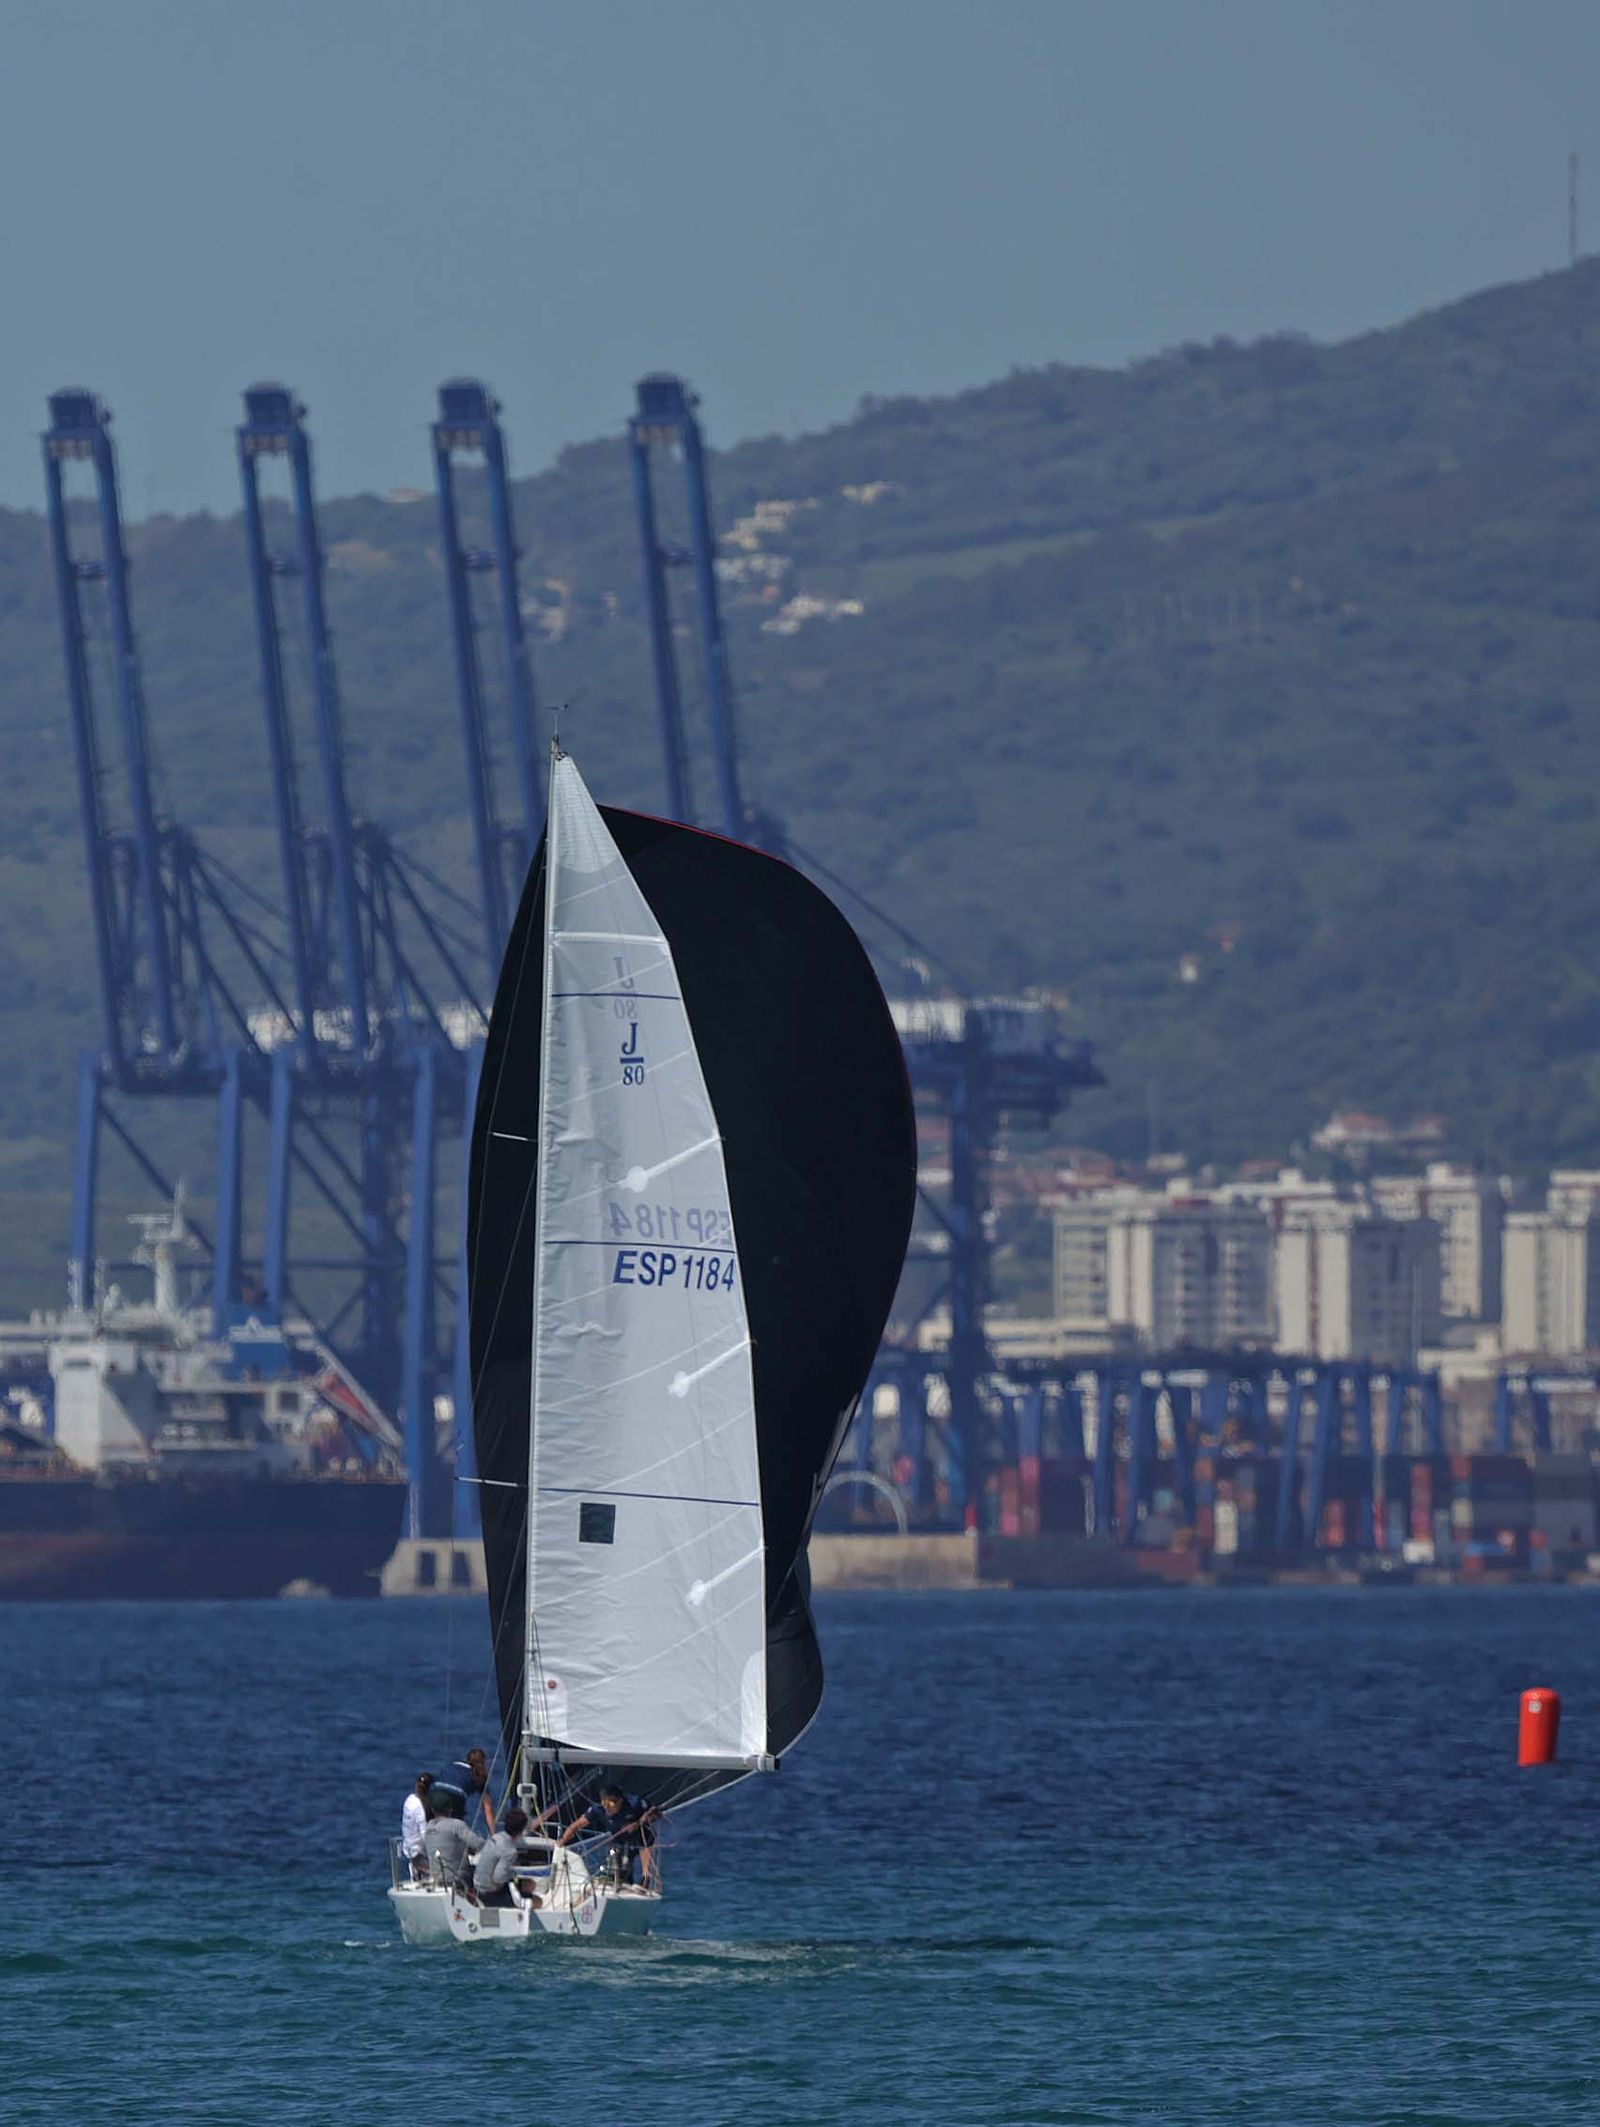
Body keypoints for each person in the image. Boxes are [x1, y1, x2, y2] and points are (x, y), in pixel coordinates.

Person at [557, 1784, 660, 1887]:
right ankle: (622, 1881)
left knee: (643, 1847)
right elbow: (576, 1826)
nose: (607, 1807)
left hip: (640, 1839)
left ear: (620, 1801)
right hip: (619, 1841)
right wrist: (562, 1841)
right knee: (619, 1871)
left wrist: (638, 1824)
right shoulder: (598, 1809)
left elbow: (657, 1814)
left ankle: (646, 1877)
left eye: (610, 1803)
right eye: (604, 1802)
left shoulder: (634, 1803)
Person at [473, 1807, 540, 1909]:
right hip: (489, 1894)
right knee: (538, 1902)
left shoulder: (495, 1837)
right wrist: (511, 1876)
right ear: (521, 1830)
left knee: (531, 1884)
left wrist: (512, 1877)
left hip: (478, 1887)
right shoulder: (510, 1852)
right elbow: (498, 1878)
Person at [421, 1787, 482, 1893]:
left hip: (438, 1880)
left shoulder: (428, 1828)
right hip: (459, 1880)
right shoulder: (457, 1825)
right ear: (450, 1809)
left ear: (432, 1810)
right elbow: (477, 1844)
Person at [432, 1747, 497, 1832]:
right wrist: (494, 1833)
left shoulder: (454, 1764)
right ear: (483, 1762)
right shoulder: (479, 1777)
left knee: (435, 1824)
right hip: (455, 1795)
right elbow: (488, 1808)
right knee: (457, 1828)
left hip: (435, 1792)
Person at [399, 1771, 433, 1881]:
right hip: (419, 1853)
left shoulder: (409, 1800)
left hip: (409, 1849)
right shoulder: (421, 1808)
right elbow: (424, 1834)